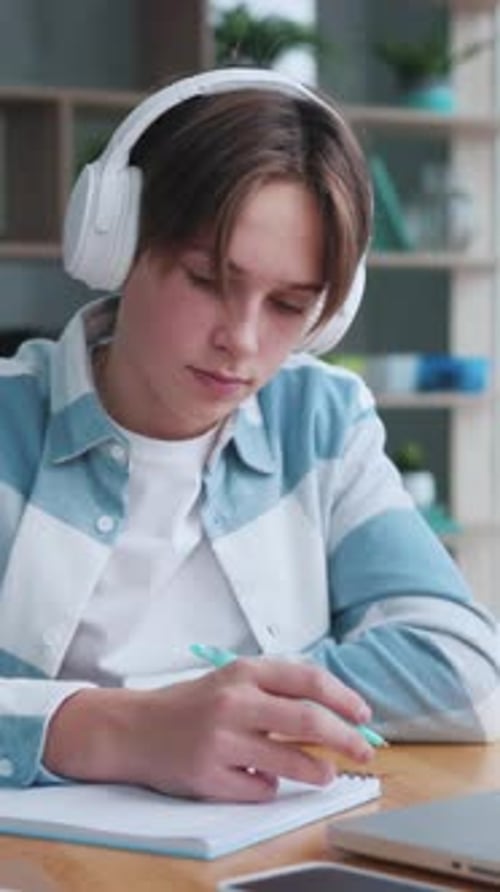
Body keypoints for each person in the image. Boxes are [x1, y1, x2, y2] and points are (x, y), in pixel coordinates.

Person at [0, 68, 498, 803]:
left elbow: (461, 669)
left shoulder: (320, 421)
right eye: (205, 278)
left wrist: (220, 712)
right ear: (114, 241)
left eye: (291, 305)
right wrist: (130, 729)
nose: (241, 339)